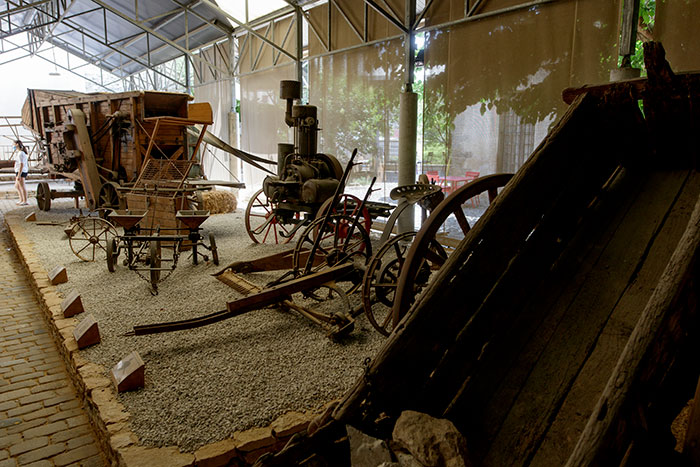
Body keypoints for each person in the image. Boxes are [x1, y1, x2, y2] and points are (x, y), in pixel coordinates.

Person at [13, 140, 29, 206]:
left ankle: (25, 201)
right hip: (18, 171)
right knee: (17, 186)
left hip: (21, 171)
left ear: (17, 144)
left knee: (22, 187)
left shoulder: (21, 153)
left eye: (14, 144)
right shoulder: (19, 152)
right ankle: (21, 199)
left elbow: (21, 164)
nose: (13, 145)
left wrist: (19, 175)